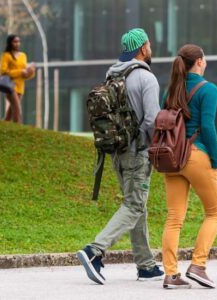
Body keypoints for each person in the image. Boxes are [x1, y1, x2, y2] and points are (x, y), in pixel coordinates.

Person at [77, 28, 164, 284]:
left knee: (136, 204)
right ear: (142, 48)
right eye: (149, 45)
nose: (150, 48)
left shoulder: (112, 74)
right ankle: (95, 251)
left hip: (116, 151)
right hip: (137, 152)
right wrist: (152, 150)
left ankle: (146, 265)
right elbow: (152, 120)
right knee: (134, 204)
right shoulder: (147, 79)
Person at [160, 44, 217, 289]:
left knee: (174, 217)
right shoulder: (209, 89)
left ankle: (171, 274)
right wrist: (216, 157)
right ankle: (198, 265)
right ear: (198, 61)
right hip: (197, 155)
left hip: (173, 157)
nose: (206, 61)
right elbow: (207, 126)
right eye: (204, 58)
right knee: (214, 212)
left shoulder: (171, 90)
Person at [0, 34, 35, 123]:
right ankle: (18, 130)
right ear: (10, 43)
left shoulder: (23, 55)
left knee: (11, 112)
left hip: (20, 87)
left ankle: (3, 125)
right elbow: (3, 72)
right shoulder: (6, 55)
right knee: (18, 110)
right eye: (15, 42)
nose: (17, 44)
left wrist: (30, 72)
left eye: (18, 41)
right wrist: (20, 72)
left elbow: (25, 74)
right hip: (9, 86)